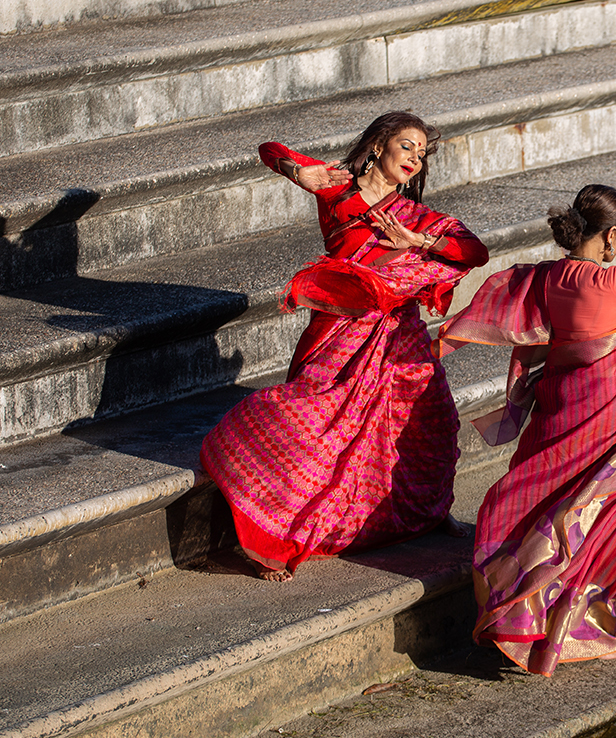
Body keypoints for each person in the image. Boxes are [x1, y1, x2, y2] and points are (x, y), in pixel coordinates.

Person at [201, 112, 489, 582]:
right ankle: (277, 534)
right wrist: (299, 172)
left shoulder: (417, 216)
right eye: (407, 146)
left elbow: (474, 251)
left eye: (422, 153)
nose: (415, 158)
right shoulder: (339, 189)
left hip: (400, 336)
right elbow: (270, 149)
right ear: (378, 146)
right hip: (342, 328)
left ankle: (430, 513)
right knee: (313, 423)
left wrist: (417, 240)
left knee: (429, 424)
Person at [436, 184, 616, 675]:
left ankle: (535, 617)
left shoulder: (547, 277)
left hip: (559, 400)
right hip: (605, 407)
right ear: (612, 235)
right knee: (610, 503)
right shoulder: (612, 282)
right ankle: (586, 624)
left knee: (553, 497)